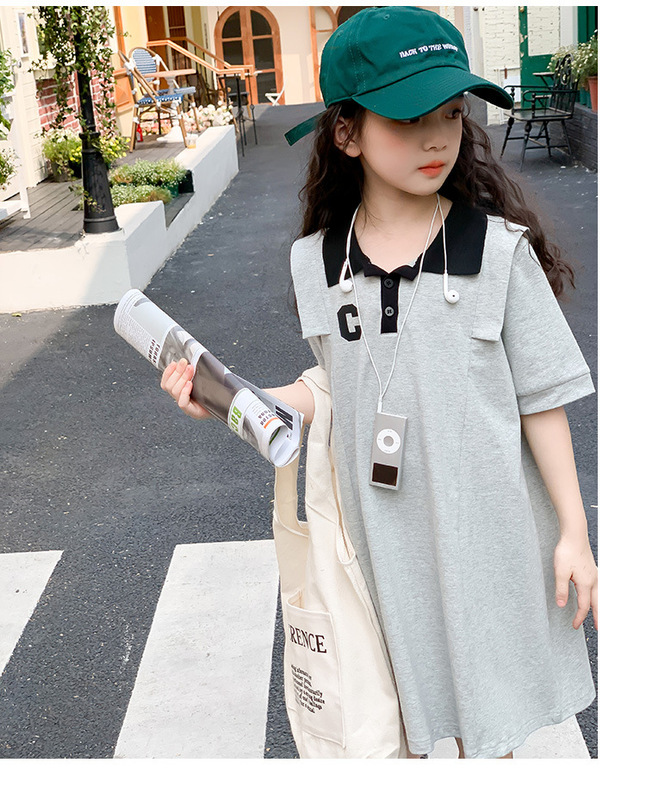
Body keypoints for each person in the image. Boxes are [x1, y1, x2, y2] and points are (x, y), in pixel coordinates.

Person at [160, 7, 598, 760]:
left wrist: (574, 533)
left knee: (488, 731)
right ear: (347, 132)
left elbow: (541, 401)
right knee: (403, 725)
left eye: (451, 114)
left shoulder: (497, 252)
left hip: (486, 533)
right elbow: (334, 384)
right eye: (407, 118)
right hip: (378, 545)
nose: (437, 139)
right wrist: (236, 399)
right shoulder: (317, 263)